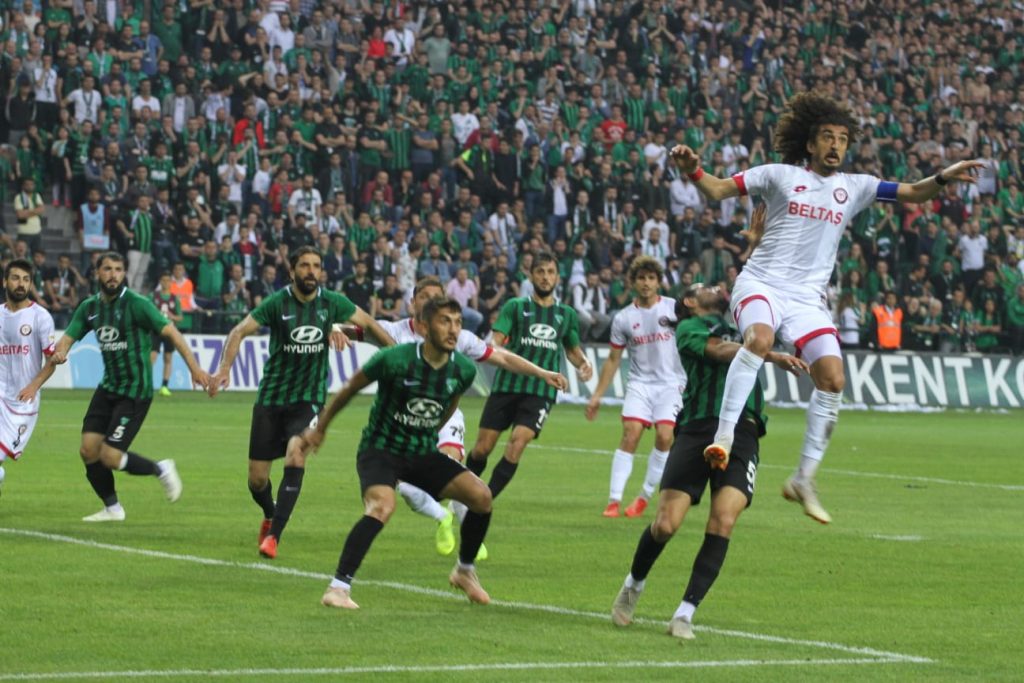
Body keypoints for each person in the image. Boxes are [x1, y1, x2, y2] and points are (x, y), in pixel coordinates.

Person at [669, 92, 982, 524]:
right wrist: (693, 170)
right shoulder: (778, 175)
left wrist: (944, 176)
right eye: (828, 137)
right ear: (810, 143)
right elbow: (719, 188)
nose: (836, 145)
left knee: (833, 379)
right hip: (761, 283)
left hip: (806, 299)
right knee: (758, 340)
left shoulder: (855, 187)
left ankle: (803, 479)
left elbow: (912, 192)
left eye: (843, 139)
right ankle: (723, 437)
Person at [610, 283, 806, 639]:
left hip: (743, 429)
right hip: (699, 426)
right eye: (705, 286)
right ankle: (633, 583)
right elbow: (718, 351)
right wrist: (769, 354)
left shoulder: (746, 323)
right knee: (665, 525)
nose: (716, 287)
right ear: (690, 301)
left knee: (724, 519)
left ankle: (685, 614)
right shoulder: (688, 328)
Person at [298, 297, 494, 609]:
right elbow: (349, 389)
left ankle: (464, 571)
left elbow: (451, 402)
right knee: (382, 507)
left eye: (458, 322)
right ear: (425, 327)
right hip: (381, 450)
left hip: (421, 452)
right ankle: (338, 588)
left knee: (481, 497)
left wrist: (430, 431)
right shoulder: (394, 359)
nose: (453, 329)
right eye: (445, 321)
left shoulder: (464, 369)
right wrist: (320, 428)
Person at [352, 276, 567, 557]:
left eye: (435, 297)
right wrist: (334, 330)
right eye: (424, 296)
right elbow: (353, 329)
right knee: (406, 488)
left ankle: (470, 543)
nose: (429, 301)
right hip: (401, 424)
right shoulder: (392, 331)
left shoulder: (459, 337)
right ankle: (442, 517)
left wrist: (542, 372)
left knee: (453, 471)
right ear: (412, 302)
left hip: (445, 415)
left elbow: (502, 357)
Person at [209, 246, 395, 559]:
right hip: (271, 398)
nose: (311, 271)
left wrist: (397, 356)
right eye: (305, 265)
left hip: (309, 399)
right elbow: (239, 331)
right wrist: (225, 368)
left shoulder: (332, 302)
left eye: (316, 266)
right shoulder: (277, 303)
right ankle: (270, 514)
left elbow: (371, 325)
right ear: (292, 271)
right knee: (257, 480)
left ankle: (274, 537)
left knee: (296, 454)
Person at [21, 252, 212, 521]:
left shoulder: (138, 304)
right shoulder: (89, 307)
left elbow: (172, 333)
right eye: (108, 269)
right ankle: (113, 508)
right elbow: (67, 340)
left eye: (119, 269)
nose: (113, 274)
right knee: (88, 450)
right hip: (108, 387)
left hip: (135, 391)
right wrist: (59, 353)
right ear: (97, 273)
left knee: (110, 456)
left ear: (124, 273)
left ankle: (161, 469)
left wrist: (195, 369)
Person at [465, 252, 593, 511]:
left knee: (517, 443)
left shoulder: (566, 314)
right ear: (531, 275)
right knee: (482, 449)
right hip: (507, 386)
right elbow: (496, 342)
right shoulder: (515, 307)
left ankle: (483, 501)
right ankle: (463, 493)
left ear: (557, 278)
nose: (545, 277)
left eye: (550, 272)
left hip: (541, 391)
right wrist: (495, 346)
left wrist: (583, 364)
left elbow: (571, 349)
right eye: (540, 272)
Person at [586, 256, 686, 518]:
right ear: (632, 282)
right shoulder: (623, 318)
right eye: (641, 278)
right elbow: (613, 359)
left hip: (671, 384)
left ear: (658, 282)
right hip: (640, 384)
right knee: (630, 435)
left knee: (665, 436)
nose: (646, 283)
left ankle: (644, 496)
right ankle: (614, 500)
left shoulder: (674, 309)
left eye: (651, 278)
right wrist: (597, 396)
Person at [0, 260, 56, 499]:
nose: (21, 284)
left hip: (22, 402)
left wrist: (33, 386)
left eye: (25, 279)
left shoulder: (40, 316)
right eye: (15, 278)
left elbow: (51, 361)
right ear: (5, 282)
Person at [150, 272, 183, 397]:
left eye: (168, 280)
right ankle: (147, 384)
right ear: (160, 282)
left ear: (171, 282)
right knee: (152, 357)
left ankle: (164, 386)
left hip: (169, 331)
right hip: (156, 331)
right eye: (163, 280)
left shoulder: (174, 299)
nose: (165, 283)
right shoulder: (153, 296)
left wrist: (172, 316)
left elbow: (180, 317)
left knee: (168, 358)